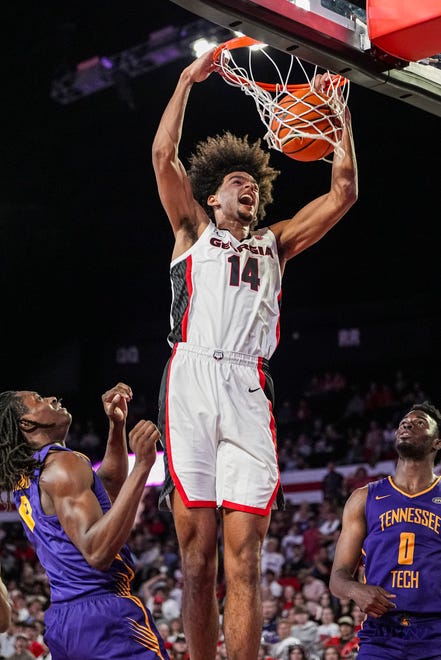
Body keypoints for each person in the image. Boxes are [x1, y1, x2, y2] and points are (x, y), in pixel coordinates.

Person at [152, 43, 357, 660]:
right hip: (190, 375)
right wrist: (188, 78)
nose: (244, 184)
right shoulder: (192, 231)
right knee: (196, 557)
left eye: (250, 182)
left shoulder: (276, 242)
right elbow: (163, 154)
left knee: (246, 558)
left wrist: (338, 114)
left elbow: (343, 191)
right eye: (232, 181)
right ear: (211, 198)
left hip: (247, 386)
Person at [0, 383, 169, 660]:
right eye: (39, 399)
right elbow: (97, 552)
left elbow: (108, 488)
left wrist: (117, 426)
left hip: (65, 619)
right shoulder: (62, 465)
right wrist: (142, 466)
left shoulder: (30, 475)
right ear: (27, 423)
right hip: (104, 615)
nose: (52, 397)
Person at [329, 401, 441, 659]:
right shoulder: (363, 497)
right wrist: (356, 590)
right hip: (381, 634)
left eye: (420, 423)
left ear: (437, 443)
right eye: (404, 422)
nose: (408, 424)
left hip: (435, 633)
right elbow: (338, 577)